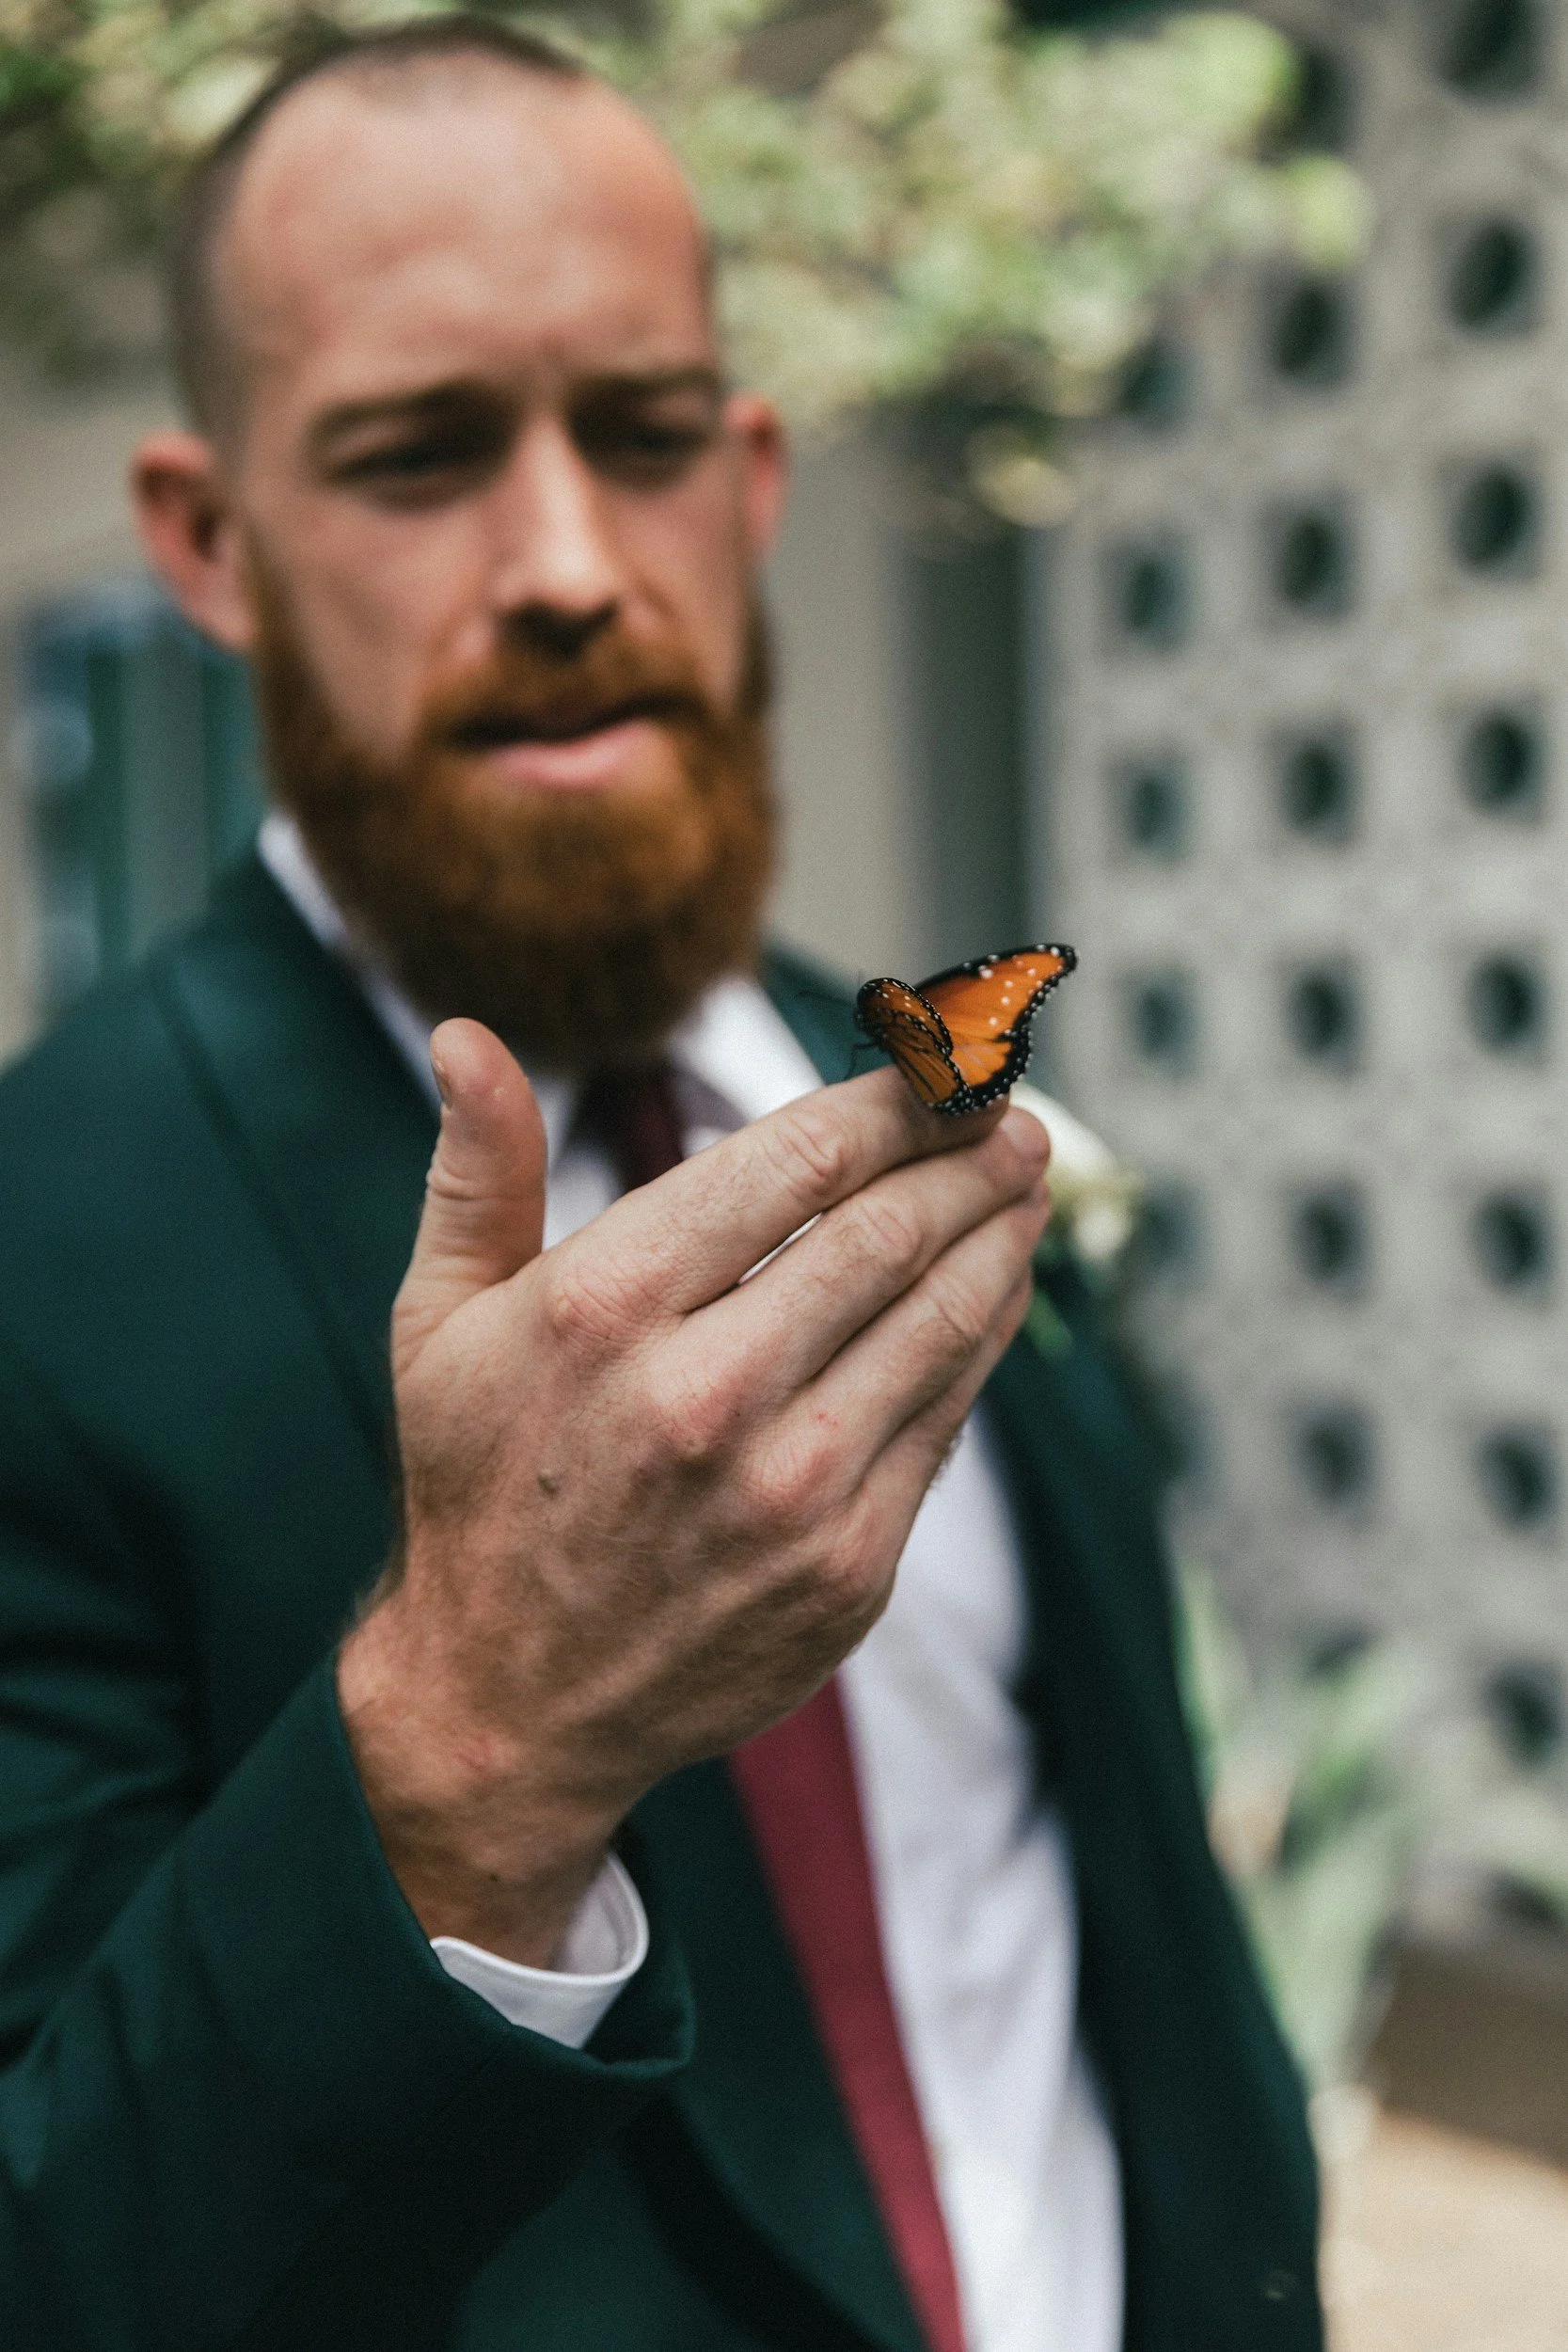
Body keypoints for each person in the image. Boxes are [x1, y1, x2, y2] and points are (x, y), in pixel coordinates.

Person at [0, 20, 1320, 2349]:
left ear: (751, 472)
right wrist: (475, 1744)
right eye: (417, 457)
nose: (565, 562)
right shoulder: (40, 1237)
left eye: (637, 434)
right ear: (208, 539)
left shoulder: (924, 1081)